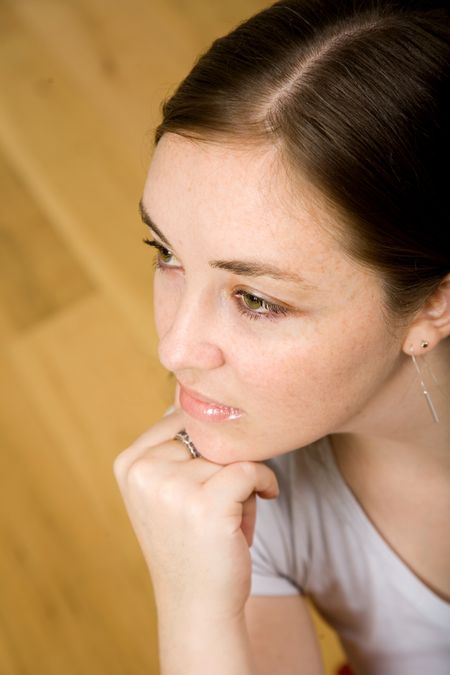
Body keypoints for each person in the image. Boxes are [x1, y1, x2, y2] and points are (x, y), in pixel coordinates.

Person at [113, 1, 450, 673]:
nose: (175, 350)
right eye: (168, 252)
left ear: (434, 302)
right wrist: (193, 605)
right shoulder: (224, 494)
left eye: (257, 299)